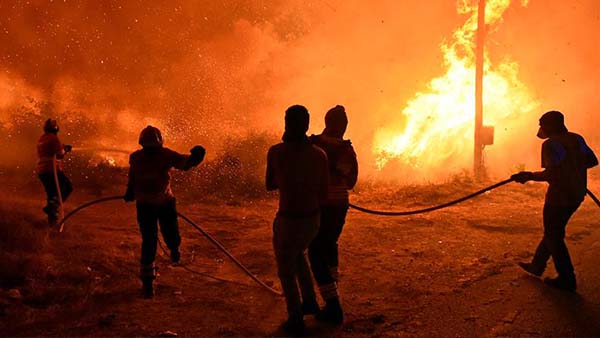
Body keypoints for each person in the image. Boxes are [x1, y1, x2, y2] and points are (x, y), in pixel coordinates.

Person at [513, 111, 597, 291]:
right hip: (576, 195)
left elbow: (552, 173)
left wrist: (528, 175)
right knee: (553, 231)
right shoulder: (576, 138)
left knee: (554, 235)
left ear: (551, 125)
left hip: (559, 198)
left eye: (543, 124)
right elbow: (592, 161)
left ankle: (567, 278)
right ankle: (537, 265)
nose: (541, 128)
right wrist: (574, 169)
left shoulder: (551, 144)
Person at [266, 105, 329, 335]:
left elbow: (270, 184)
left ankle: (295, 316)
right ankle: (310, 301)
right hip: (312, 220)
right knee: (299, 254)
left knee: (286, 269)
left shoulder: (276, 152)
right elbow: (324, 192)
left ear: (286, 123)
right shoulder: (319, 154)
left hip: (289, 220)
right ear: (307, 124)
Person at [124, 125, 206, 298]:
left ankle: (149, 281)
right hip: (162, 203)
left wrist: (130, 192)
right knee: (163, 235)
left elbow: (185, 163)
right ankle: (167, 259)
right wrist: (197, 157)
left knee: (150, 240)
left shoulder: (138, 157)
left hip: (147, 204)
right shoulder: (163, 154)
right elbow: (186, 163)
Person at [308, 105, 358, 324]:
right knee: (329, 246)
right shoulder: (347, 150)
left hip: (320, 205)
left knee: (316, 253)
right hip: (339, 205)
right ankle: (332, 291)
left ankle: (333, 305)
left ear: (327, 122)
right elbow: (351, 182)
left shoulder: (314, 144)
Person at [37, 118, 73, 224]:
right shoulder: (53, 138)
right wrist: (65, 150)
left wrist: (63, 147)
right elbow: (60, 154)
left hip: (42, 172)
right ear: (56, 129)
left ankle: (52, 221)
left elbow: (51, 149)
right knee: (68, 187)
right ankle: (53, 206)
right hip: (51, 170)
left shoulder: (42, 138)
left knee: (51, 194)